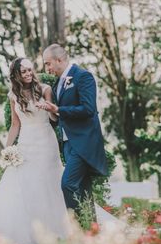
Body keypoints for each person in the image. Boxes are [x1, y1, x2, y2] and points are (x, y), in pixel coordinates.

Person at [0, 57, 69, 244]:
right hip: (26, 143)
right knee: (23, 183)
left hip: (46, 141)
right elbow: (15, 125)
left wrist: (49, 108)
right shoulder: (13, 95)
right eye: (24, 72)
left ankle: (54, 230)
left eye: (30, 70)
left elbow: (55, 117)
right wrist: (7, 150)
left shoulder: (45, 89)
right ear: (16, 75)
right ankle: (26, 229)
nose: (29, 74)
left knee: (48, 182)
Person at [39, 44, 109, 224]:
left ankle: (77, 229)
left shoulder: (82, 77)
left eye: (48, 64)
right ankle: (92, 232)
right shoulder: (58, 83)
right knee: (84, 191)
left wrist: (59, 109)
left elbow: (88, 109)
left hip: (83, 143)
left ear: (59, 60)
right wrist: (50, 111)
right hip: (68, 144)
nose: (47, 69)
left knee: (67, 185)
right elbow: (58, 116)